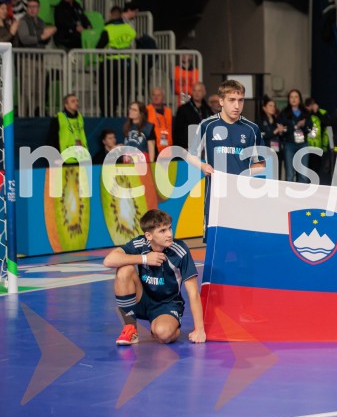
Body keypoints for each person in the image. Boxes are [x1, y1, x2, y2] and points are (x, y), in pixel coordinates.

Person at [104, 209, 206, 346]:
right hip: (142, 298)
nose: (169, 234)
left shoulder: (180, 250)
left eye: (169, 228)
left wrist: (199, 329)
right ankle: (130, 329)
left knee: (163, 334)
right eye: (162, 231)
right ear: (149, 235)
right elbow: (109, 260)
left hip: (167, 305)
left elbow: (193, 292)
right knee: (124, 270)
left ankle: (165, 326)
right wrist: (145, 258)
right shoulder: (140, 243)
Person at [188, 80, 264, 240]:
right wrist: (202, 166)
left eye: (241, 100)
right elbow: (190, 155)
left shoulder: (252, 129)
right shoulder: (207, 125)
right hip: (215, 197)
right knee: (214, 243)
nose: (237, 105)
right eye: (232, 100)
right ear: (221, 101)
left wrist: (244, 174)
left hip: (242, 196)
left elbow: (261, 164)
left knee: (241, 242)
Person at [48, 93, 90, 165]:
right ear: (66, 105)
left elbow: (82, 136)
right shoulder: (58, 117)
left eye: (77, 101)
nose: (76, 103)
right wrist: (56, 156)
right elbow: (51, 139)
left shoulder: (80, 117)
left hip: (81, 156)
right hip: (65, 157)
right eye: (73, 101)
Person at [173, 82, 211, 149]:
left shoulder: (207, 110)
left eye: (199, 91)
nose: (196, 93)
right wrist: (181, 147)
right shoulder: (183, 109)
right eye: (194, 90)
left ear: (204, 93)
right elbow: (177, 131)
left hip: (204, 147)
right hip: (187, 147)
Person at [304, 96, 331, 184]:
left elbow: (328, 123)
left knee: (317, 169)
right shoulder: (305, 113)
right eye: (309, 106)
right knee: (307, 169)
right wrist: (309, 112)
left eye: (313, 105)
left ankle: (314, 186)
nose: (312, 107)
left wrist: (317, 112)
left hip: (319, 146)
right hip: (306, 146)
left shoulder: (322, 112)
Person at [146, 87, 173, 155]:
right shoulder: (146, 110)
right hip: (153, 149)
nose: (156, 97)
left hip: (168, 149)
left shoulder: (168, 111)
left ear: (163, 97)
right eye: (154, 95)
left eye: (159, 95)